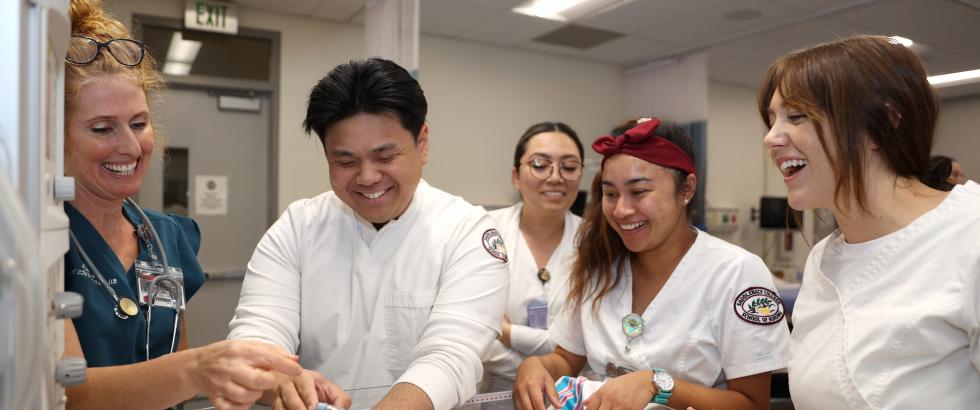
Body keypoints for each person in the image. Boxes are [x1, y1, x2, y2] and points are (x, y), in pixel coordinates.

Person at [226, 57, 510, 410]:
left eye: (385, 157)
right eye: (346, 162)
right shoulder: (297, 228)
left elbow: (450, 356)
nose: (367, 177)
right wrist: (281, 381)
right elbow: (256, 337)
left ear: (422, 143)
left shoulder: (467, 232)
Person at [61, 1, 304, 409]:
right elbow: (70, 392)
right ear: (55, 136)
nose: (130, 146)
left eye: (139, 124)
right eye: (102, 128)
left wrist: (278, 382)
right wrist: (197, 369)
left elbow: (175, 366)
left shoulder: (165, 237)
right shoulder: (43, 243)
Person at [759, 35, 980, 409]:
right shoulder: (823, 259)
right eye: (771, 120)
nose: (770, 138)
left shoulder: (969, 235)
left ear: (881, 125)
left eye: (795, 116)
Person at [513, 118, 790, 410]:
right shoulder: (599, 264)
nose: (621, 210)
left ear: (686, 189)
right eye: (610, 194)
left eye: (639, 192)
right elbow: (566, 358)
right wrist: (537, 366)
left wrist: (658, 386)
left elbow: (753, 404)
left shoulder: (736, 273)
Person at [482, 122, 584, 383]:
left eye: (569, 166)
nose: (556, 176)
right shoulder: (484, 232)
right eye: (540, 164)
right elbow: (475, 335)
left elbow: (588, 344)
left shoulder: (597, 243)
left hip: (572, 397)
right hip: (495, 395)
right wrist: (542, 368)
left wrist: (506, 332)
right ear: (516, 176)